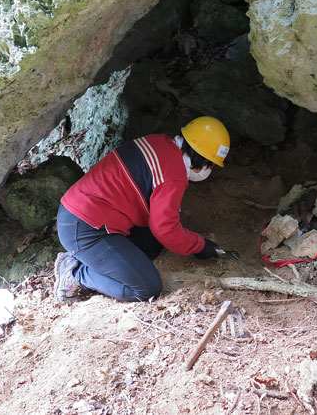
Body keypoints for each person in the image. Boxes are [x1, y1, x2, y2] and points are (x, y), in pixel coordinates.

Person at [53, 116, 230, 304]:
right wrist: (200, 246)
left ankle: (90, 259)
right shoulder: (173, 175)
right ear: (201, 160)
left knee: (151, 242)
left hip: (79, 214)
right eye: (210, 164)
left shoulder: (160, 142)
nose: (208, 170)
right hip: (86, 229)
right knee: (146, 289)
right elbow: (165, 228)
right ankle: (76, 273)